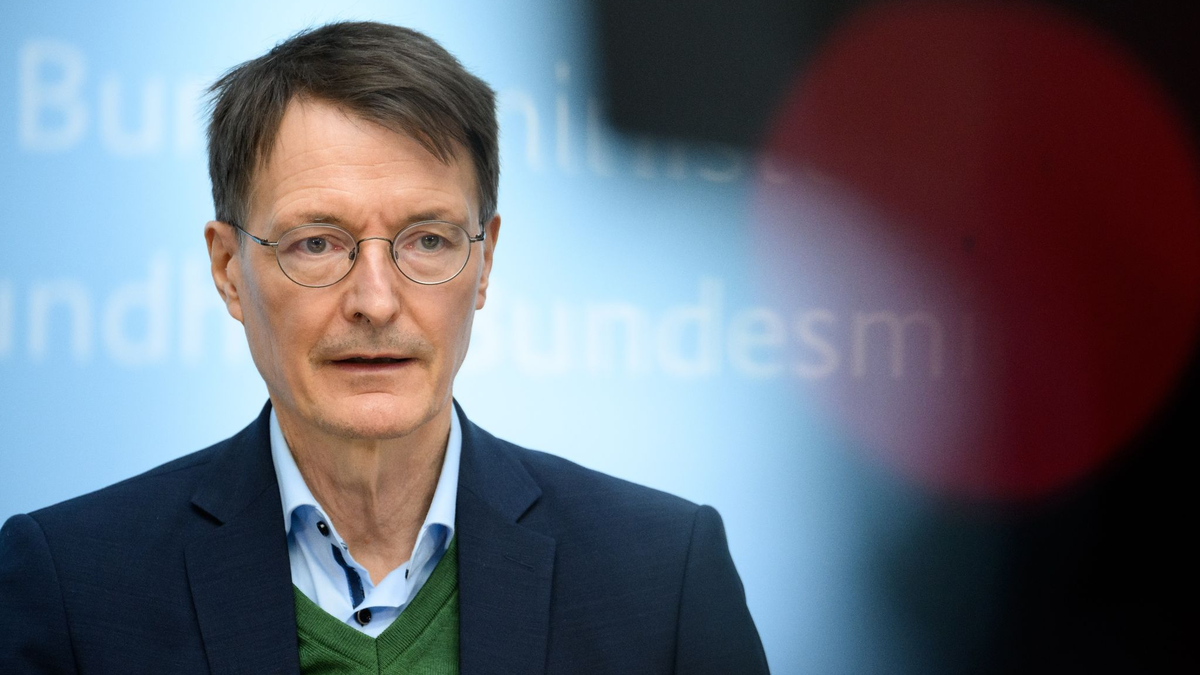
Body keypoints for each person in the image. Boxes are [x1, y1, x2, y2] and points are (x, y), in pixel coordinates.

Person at [0, 21, 768, 674]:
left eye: (427, 239)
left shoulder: (661, 575)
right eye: (317, 242)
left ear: (485, 262)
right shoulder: (70, 585)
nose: (374, 300)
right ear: (229, 270)